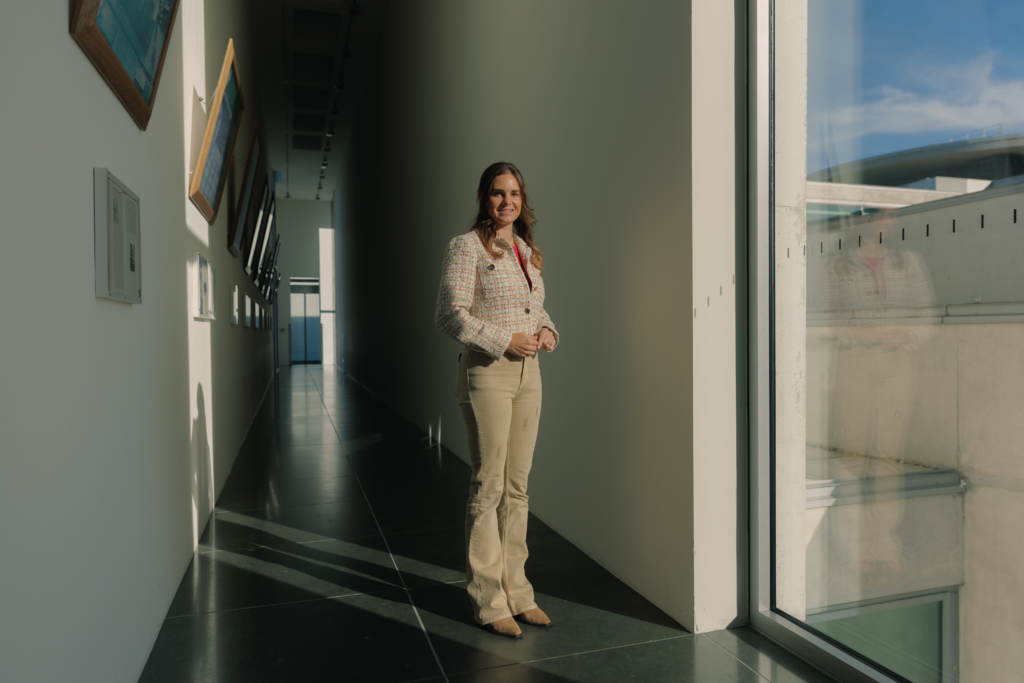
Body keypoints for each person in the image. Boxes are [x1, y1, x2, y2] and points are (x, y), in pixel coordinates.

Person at [434, 161, 558, 639]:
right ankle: (487, 601)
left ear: (523, 200)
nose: (507, 201)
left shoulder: (526, 250)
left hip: (530, 375)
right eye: (497, 193)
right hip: (487, 374)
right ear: (484, 198)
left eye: (515, 194)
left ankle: (518, 591)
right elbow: (449, 315)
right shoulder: (465, 247)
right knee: (489, 487)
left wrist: (546, 329)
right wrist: (505, 340)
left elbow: (533, 307)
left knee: (519, 487)